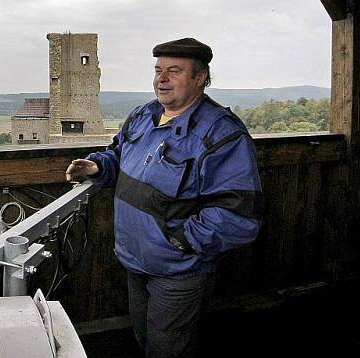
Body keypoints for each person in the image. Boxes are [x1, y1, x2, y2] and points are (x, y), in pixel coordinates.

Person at [65, 37, 262, 358]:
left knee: (168, 349)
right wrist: (98, 166)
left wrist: (179, 242)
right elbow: (120, 156)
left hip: (178, 272)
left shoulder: (222, 135)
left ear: (201, 78)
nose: (162, 79)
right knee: (145, 339)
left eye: (174, 71)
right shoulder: (144, 115)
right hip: (134, 260)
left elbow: (238, 215)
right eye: (158, 70)